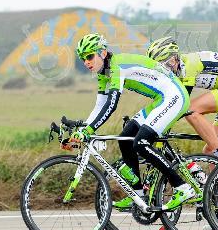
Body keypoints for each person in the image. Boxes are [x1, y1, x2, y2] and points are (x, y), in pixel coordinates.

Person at [68, 33, 192, 211]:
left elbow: (111, 105)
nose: (86, 62)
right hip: (161, 99)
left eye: (89, 56)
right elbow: (99, 105)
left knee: (141, 143)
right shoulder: (104, 73)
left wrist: (88, 130)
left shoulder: (117, 66)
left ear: (102, 53)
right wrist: (84, 129)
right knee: (125, 138)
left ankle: (182, 187)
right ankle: (138, 195)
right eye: (83, 59)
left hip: (174, 96)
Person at [145, 36, 218, 156]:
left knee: (190, 110)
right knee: (209, 152)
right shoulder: (176, 72)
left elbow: (179, 105)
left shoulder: (189, 65)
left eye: (170, 62)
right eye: (163, 67)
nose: (169, 68)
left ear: (176, 56)